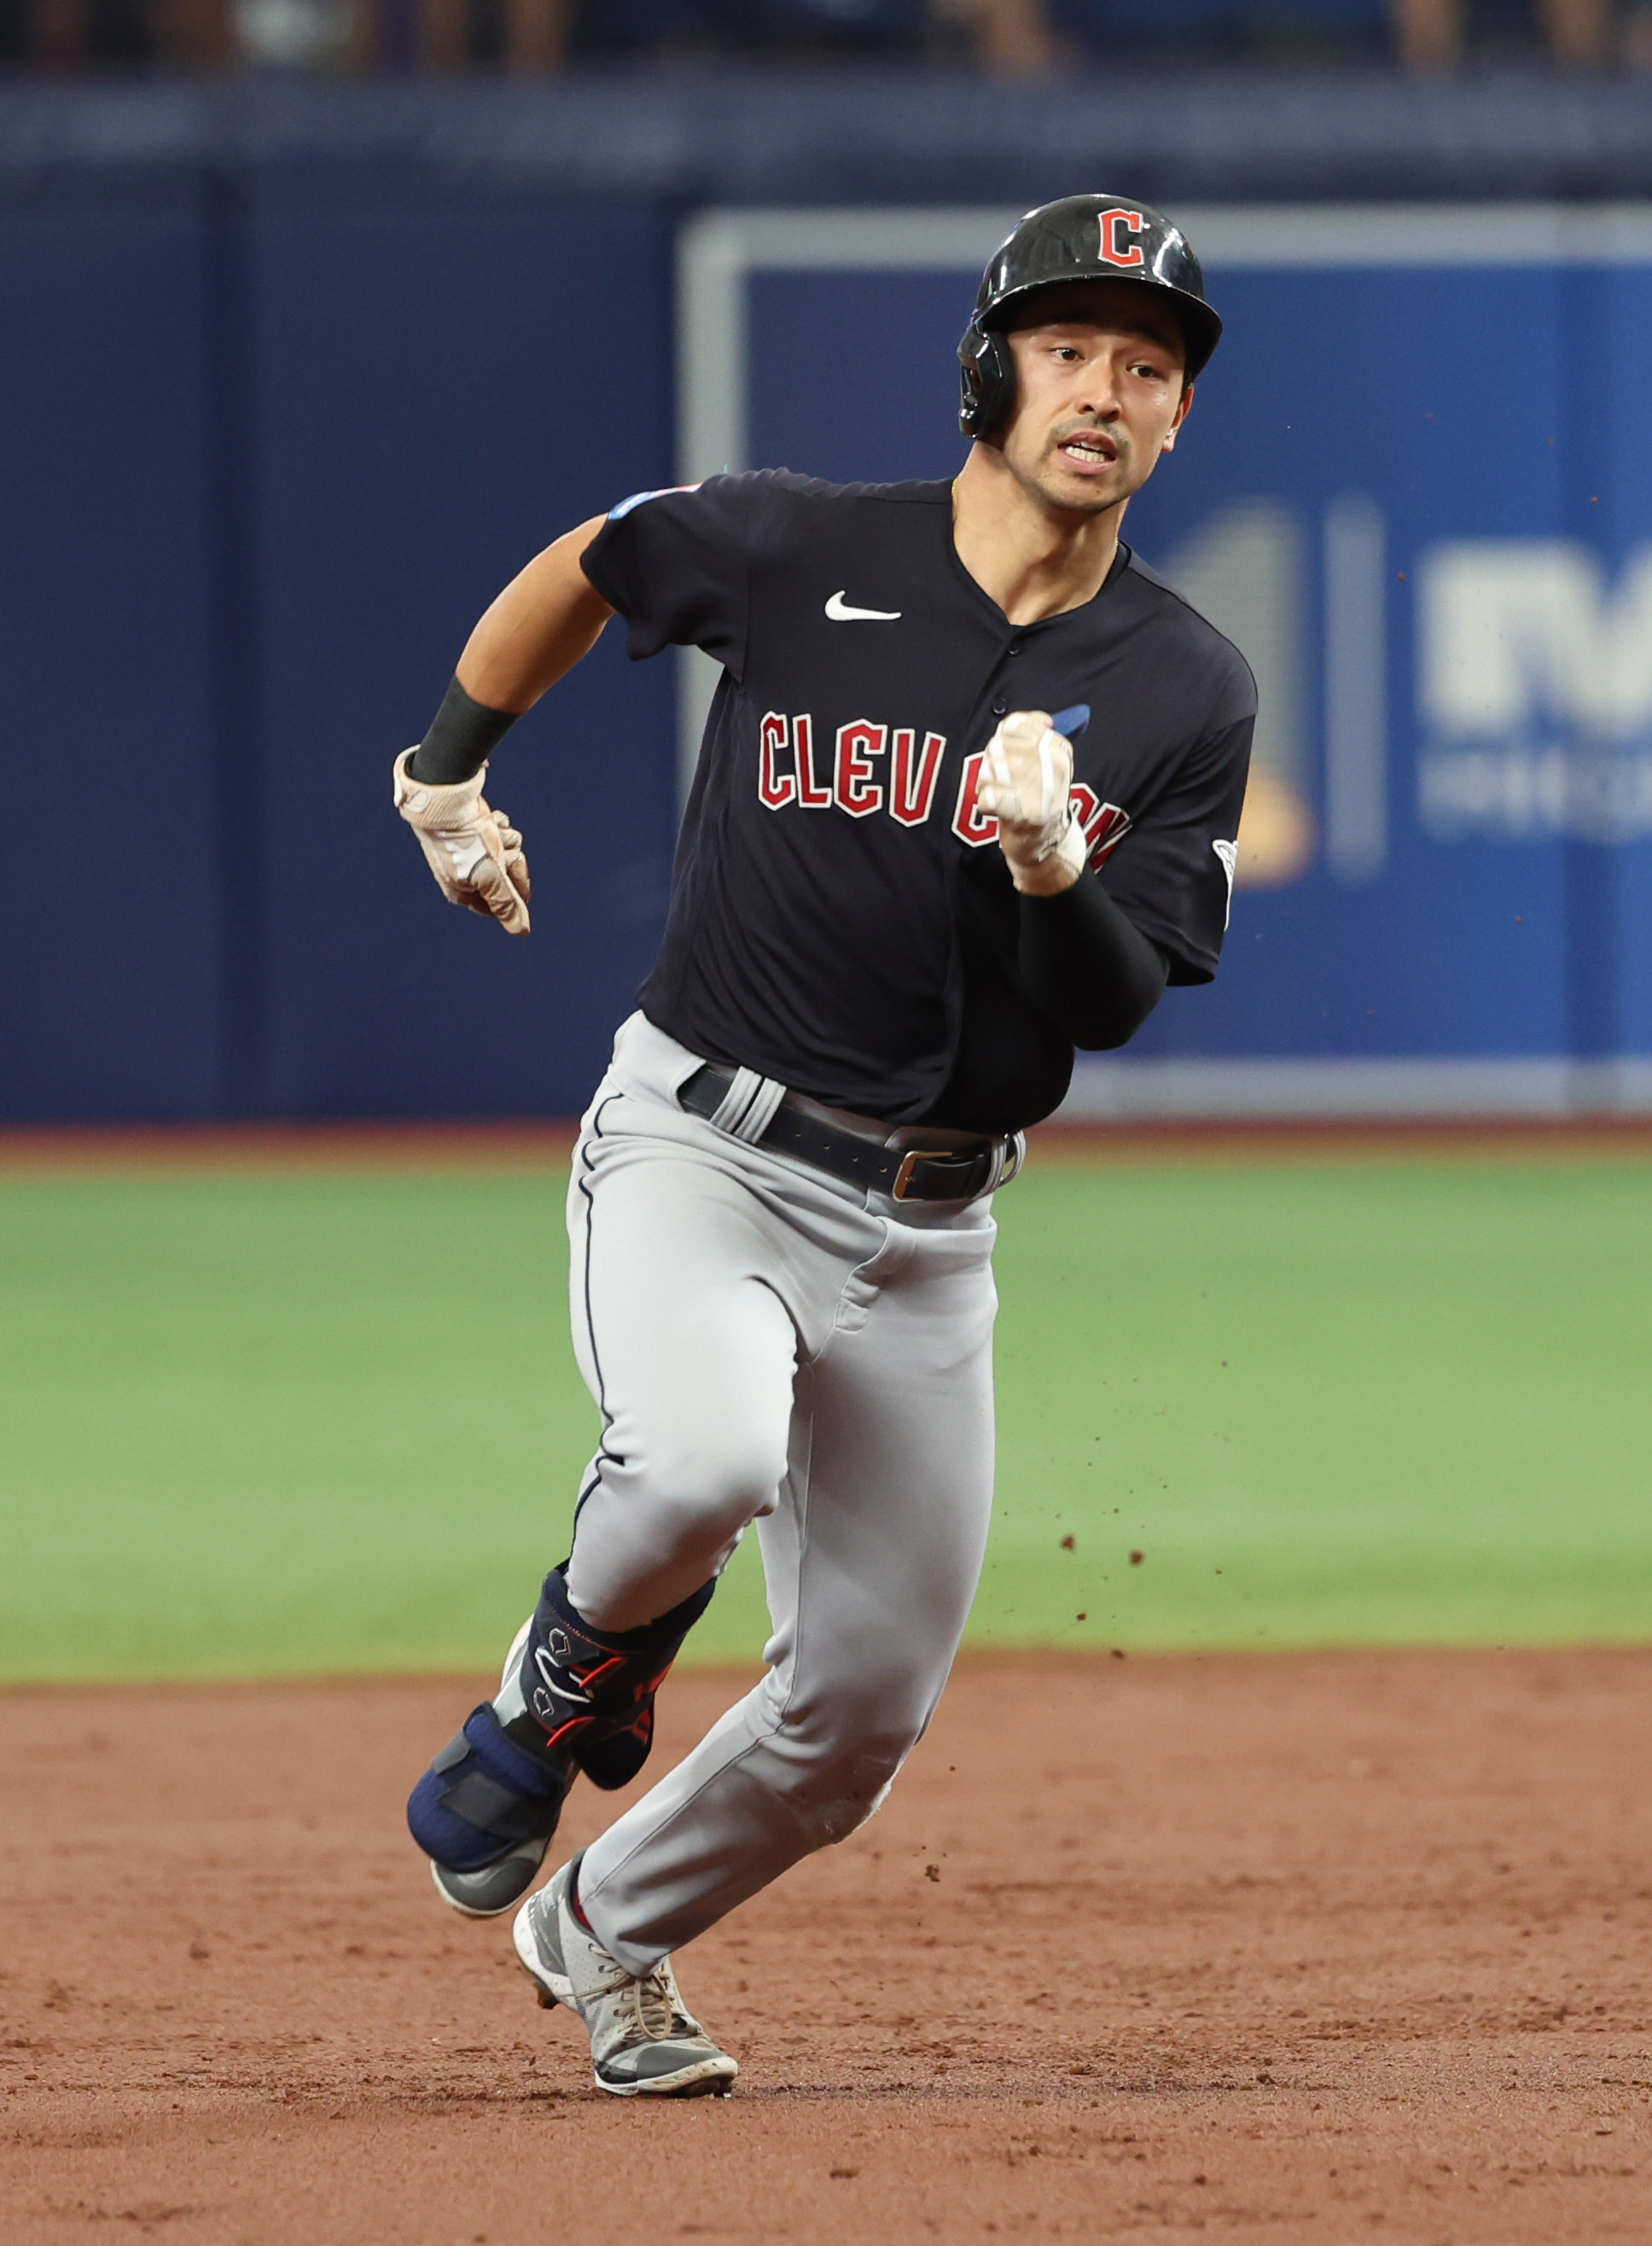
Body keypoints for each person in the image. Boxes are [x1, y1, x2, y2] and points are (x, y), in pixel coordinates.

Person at [395, 194, 1254, 2099]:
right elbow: (602, 560)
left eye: (1144, 365)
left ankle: (604, 1931)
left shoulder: (1187, 685)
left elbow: (1112, 1000)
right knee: (696, 1450)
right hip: (702, 1146)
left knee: (860, 1707)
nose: (1101, 389)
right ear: (986, 365)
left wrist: (1050, 865)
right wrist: (448, 766)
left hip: (934, 1236)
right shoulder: (805, 548)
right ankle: (562, 1674)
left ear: (1176, 418)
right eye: (1066, 346)